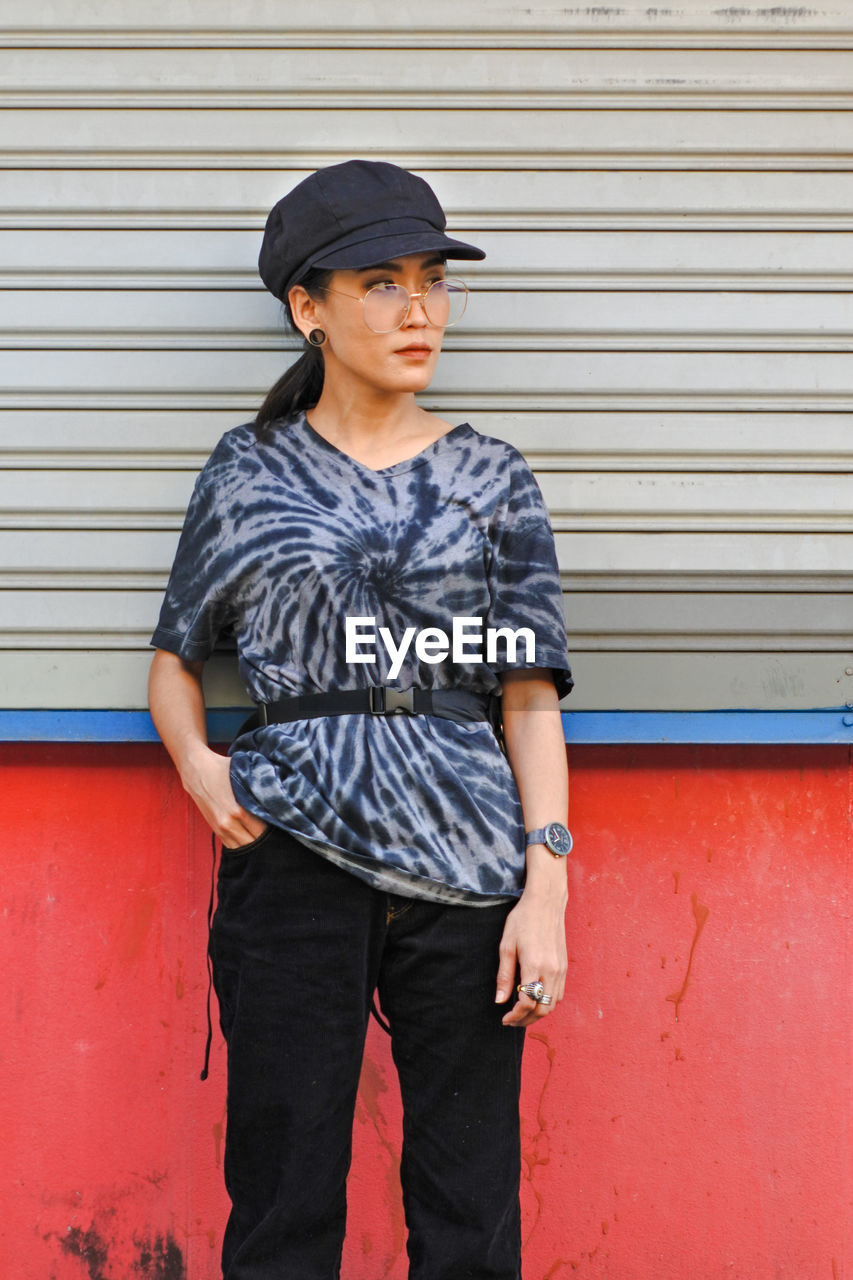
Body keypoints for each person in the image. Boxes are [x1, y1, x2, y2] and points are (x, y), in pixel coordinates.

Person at [148, 159, 573, 1280]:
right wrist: (199, 765)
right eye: (380, 282)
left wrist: (549, 883)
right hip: (289, 860)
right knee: (284, 1198)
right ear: (308, 308)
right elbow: (173, 656)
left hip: (470, 870)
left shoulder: (493, 475)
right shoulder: (247, 471)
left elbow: (527, 696)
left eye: (431, 279)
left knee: (467, 1205)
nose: (419, 308)